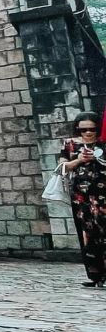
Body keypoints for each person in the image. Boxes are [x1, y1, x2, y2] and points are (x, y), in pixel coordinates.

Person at [59, 113, 106, 288]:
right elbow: (61, 167)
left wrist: (99, 158)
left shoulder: (103, 143)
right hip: (82, 197)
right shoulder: (70, 144)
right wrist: (78, 160)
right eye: (83, 129)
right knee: (88, 234)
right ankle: (96, 275)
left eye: (92, 129)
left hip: (103, 195)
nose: (88, 133)